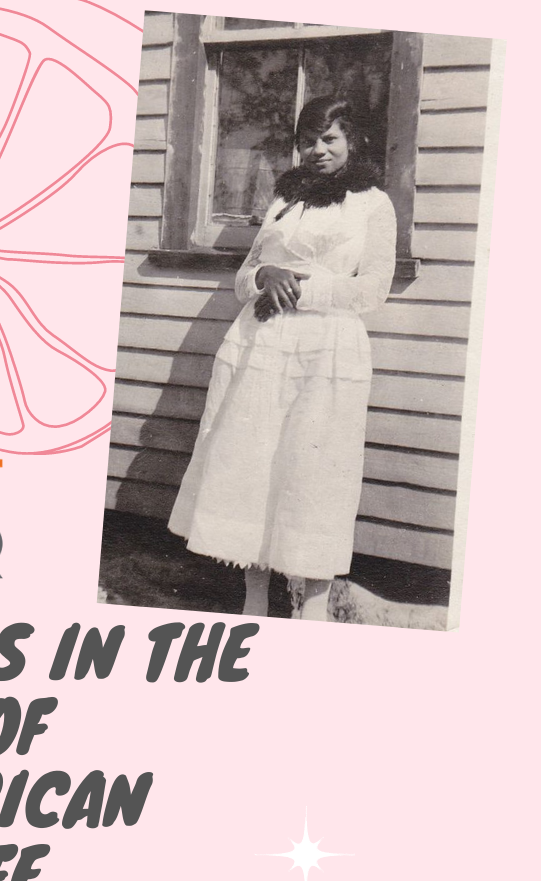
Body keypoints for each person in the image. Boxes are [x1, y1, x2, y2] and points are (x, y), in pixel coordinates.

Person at [167, 96, 398, 623]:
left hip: (327, 351)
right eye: (308, 140)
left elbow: (373, 290)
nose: (317, 150)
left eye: (330, 139)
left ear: (352, 140)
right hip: (262, 345)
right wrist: (264, 279)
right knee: (253, 464)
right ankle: (253, 599)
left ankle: (311, 607)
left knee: (313, 471)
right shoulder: (284, 200)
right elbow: (244, 276)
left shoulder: (371, 204)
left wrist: (295, 289)